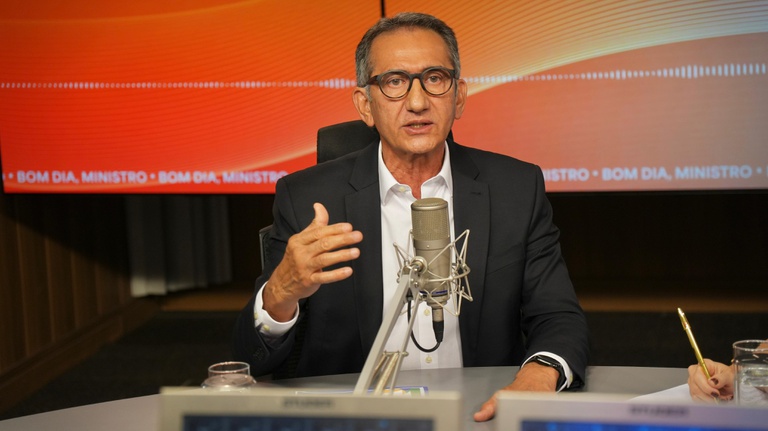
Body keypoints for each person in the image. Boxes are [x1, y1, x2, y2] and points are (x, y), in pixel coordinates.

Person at [233, 12, 589, 422]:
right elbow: (248, 358)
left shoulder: (516, 188)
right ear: (365, 105)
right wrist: (280, 293)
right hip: (357, 421)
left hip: (479, 416)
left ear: (459, 96)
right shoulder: (308, 199)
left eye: (435, 78)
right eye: (394, 82)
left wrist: (540, 374)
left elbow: (558, 316)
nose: (418, 102)